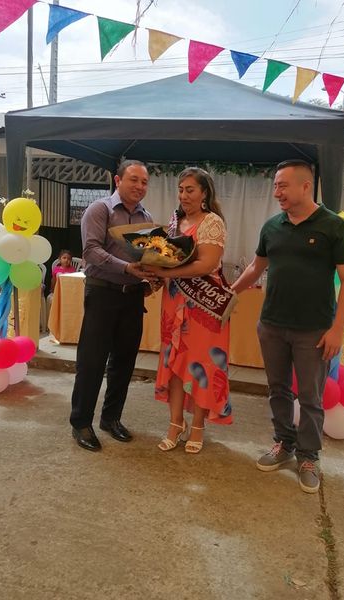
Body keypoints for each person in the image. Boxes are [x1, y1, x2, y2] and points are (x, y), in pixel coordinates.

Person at [232, 160, 344, 494]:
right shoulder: (272, 227)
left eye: (283, 185)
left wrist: (337, 329)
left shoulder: (334, 227)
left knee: (311, 397)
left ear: (306, 186)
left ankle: (309, 457)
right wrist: (228, 294)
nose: (277, 192)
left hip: (314, 330)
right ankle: (284, 444)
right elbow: (256, 268)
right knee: (278, 389)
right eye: (275, 185)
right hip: (271, 325)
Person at [70, 159, 155, 452]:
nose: (139, 186)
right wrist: (127, 268)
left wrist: (152, 275)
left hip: (132, 296)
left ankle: (111, 418)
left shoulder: (146, 216)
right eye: (134, 179)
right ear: (118, 181)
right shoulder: (101, 209)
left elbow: (146, 256)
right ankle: (81, 422)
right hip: (102, 293)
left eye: (144, 182)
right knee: (91, 361)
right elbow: (91, 251)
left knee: (124, 361)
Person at [148, 167, 233, 454]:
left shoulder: (212, 222)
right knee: (174, 364)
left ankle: (197, 425)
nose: (184, 195)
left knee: (200, 367)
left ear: (204, 193)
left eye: (190, 190)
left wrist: (167, 272)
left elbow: (206, 265)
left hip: (203, 306)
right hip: (174, 303)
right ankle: (175, 423)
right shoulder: (175, 222)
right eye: (181, 190)